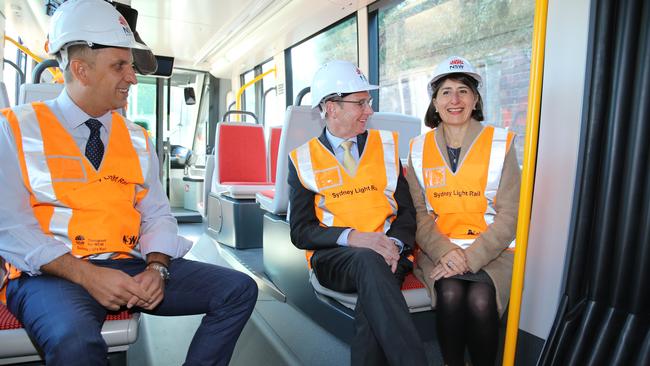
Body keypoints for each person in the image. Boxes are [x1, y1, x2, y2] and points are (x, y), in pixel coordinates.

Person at [0, 1, 257, 365]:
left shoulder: (138, 138)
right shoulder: (13, 129)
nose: (133, 77)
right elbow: (10, 228)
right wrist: (88, 276)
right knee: (75, 343)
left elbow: (156, 213)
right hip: (50, 274)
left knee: (238, 290)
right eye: (119, 65)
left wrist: (157, 266)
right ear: (81, 70)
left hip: (128, 265)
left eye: (131, 66)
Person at [288, 60, 428, 366]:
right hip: (334, 259)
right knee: (368, 259)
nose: (369, 111)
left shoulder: (387, 147)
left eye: (369, 101)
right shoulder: (302, 159)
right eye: (361, 103)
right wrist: (354, 238)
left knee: (371, 295)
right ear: (332, 108)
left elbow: (407, 214)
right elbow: (301, 232)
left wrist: (395, 245)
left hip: (392, 253)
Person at [407, 56, 520, 366]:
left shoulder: (501, 144)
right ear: (434, 101)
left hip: (492, 252)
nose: (454, 100)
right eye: (445, 92)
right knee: (451, 295)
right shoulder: (417, 148)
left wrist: (470, 258)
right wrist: (447, 252)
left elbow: (511, 214)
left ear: (475, 99)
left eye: (462, 91)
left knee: (482, 300)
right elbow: (418, 212)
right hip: (439, 252)